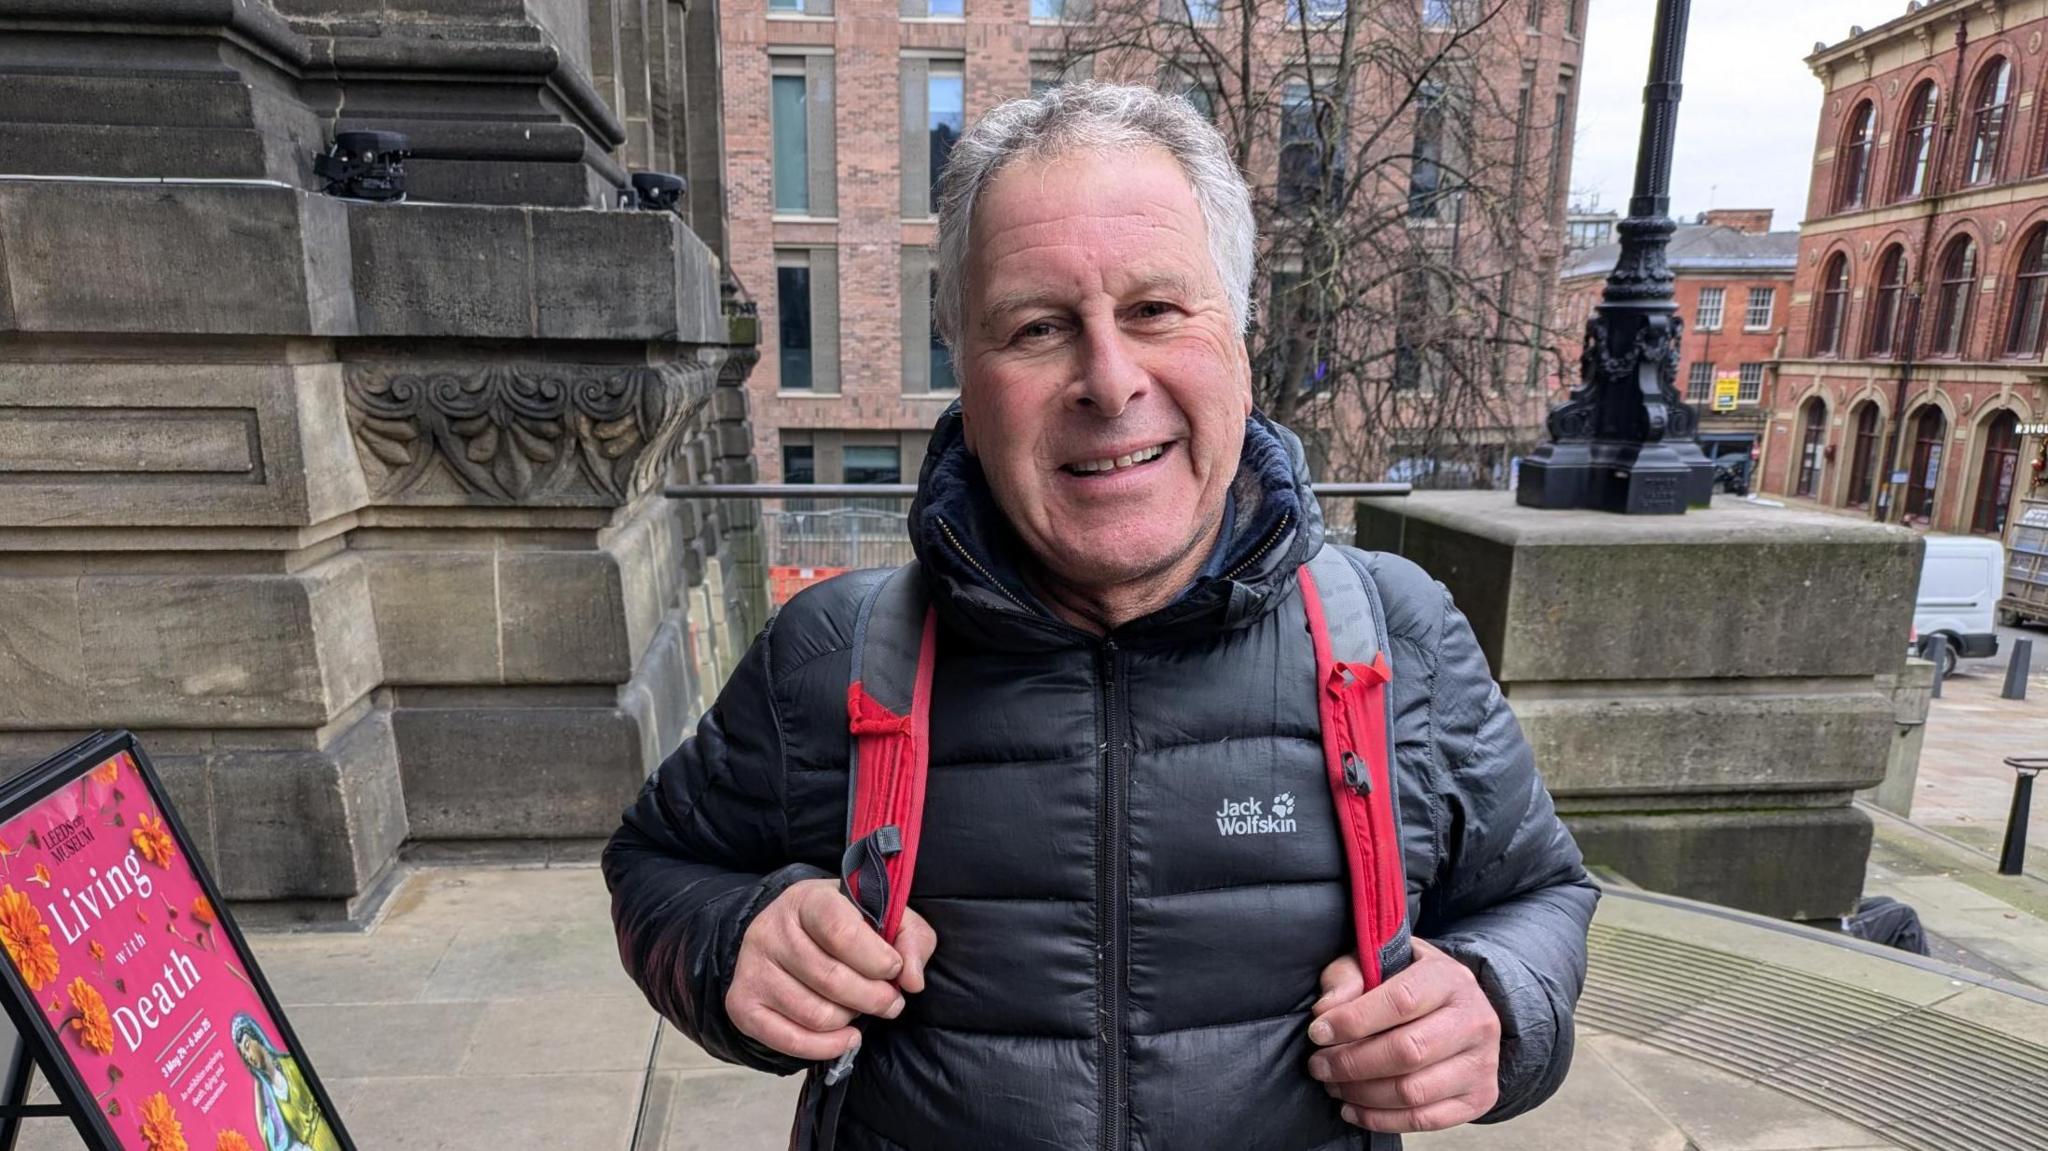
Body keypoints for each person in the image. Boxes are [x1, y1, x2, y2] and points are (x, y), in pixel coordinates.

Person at [604, 82, 1596, 1150]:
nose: (1108, 379)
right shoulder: (831, 653)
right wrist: (730, 948)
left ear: (1237, 336)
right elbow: (659, 867)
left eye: (1154, 309)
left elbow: (1536, 890)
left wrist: (1496, 1005)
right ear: (964, 375)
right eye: (1037, 327)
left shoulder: (1397, 639)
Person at [231, 1014, 341, 1151]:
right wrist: (258, 1086)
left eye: (247, 1046)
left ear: (256, 1037)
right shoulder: (269, 1097)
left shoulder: (290, 1065)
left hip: (328, 1138)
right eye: (245, 1057)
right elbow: (267, 1134)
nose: (249, 1057)